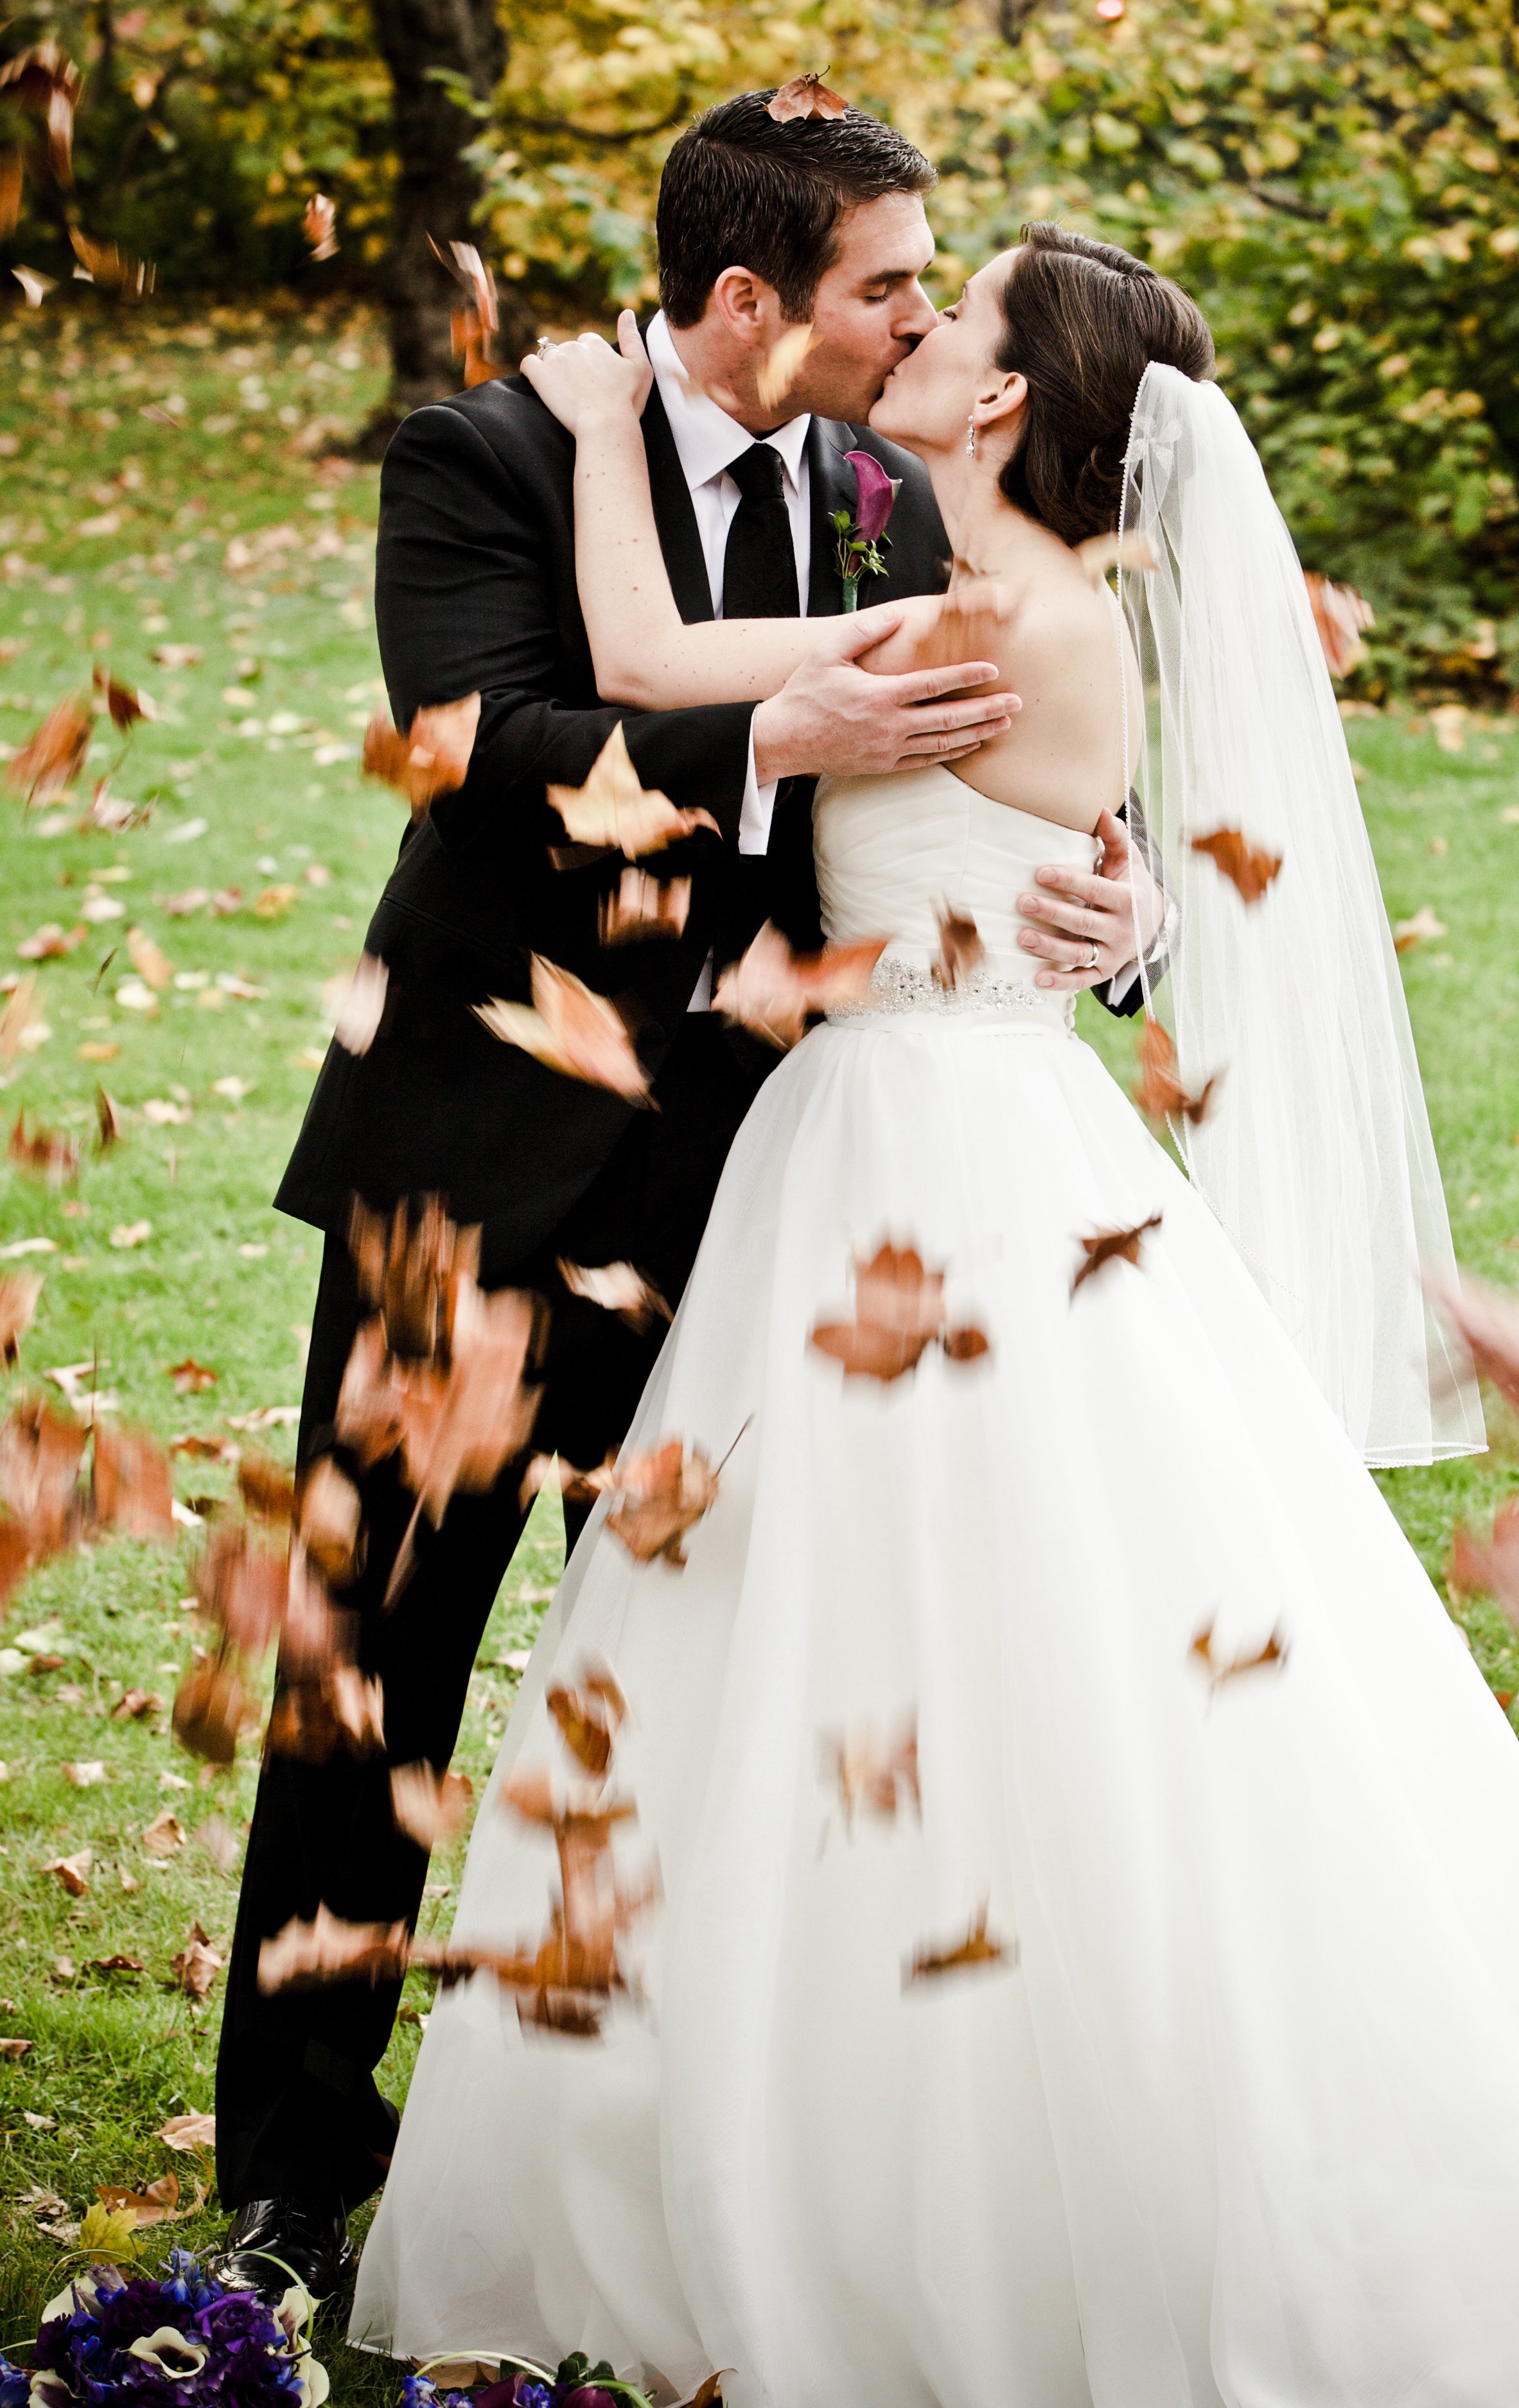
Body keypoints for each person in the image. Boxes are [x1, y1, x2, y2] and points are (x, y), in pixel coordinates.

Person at [347, 228, 1519, 2405]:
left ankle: (878, 2160)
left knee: (889, 1627)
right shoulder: (1031, 597)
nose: (912, 331)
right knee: (963, 1630)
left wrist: (605, 429)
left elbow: (643, 648)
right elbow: (1056, 820)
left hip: (910, 1156)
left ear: (999, 404)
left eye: (947, 315)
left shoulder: (978, 607)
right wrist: (1119, 878)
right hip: (957, 1135)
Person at [213, 95, 1161, 2296]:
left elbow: (1036, 766)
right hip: (467, 1175)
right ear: (752, 303)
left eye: (932, 288)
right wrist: (777, 743)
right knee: (373, 1682)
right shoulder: (489, 458)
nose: (916, 316)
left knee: (704, 1678)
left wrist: (1111, 907)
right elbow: (471, 738)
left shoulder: (882, 488)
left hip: (758, 1207)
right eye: (881, 287)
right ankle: (286, 2173)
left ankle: (651, 2157)